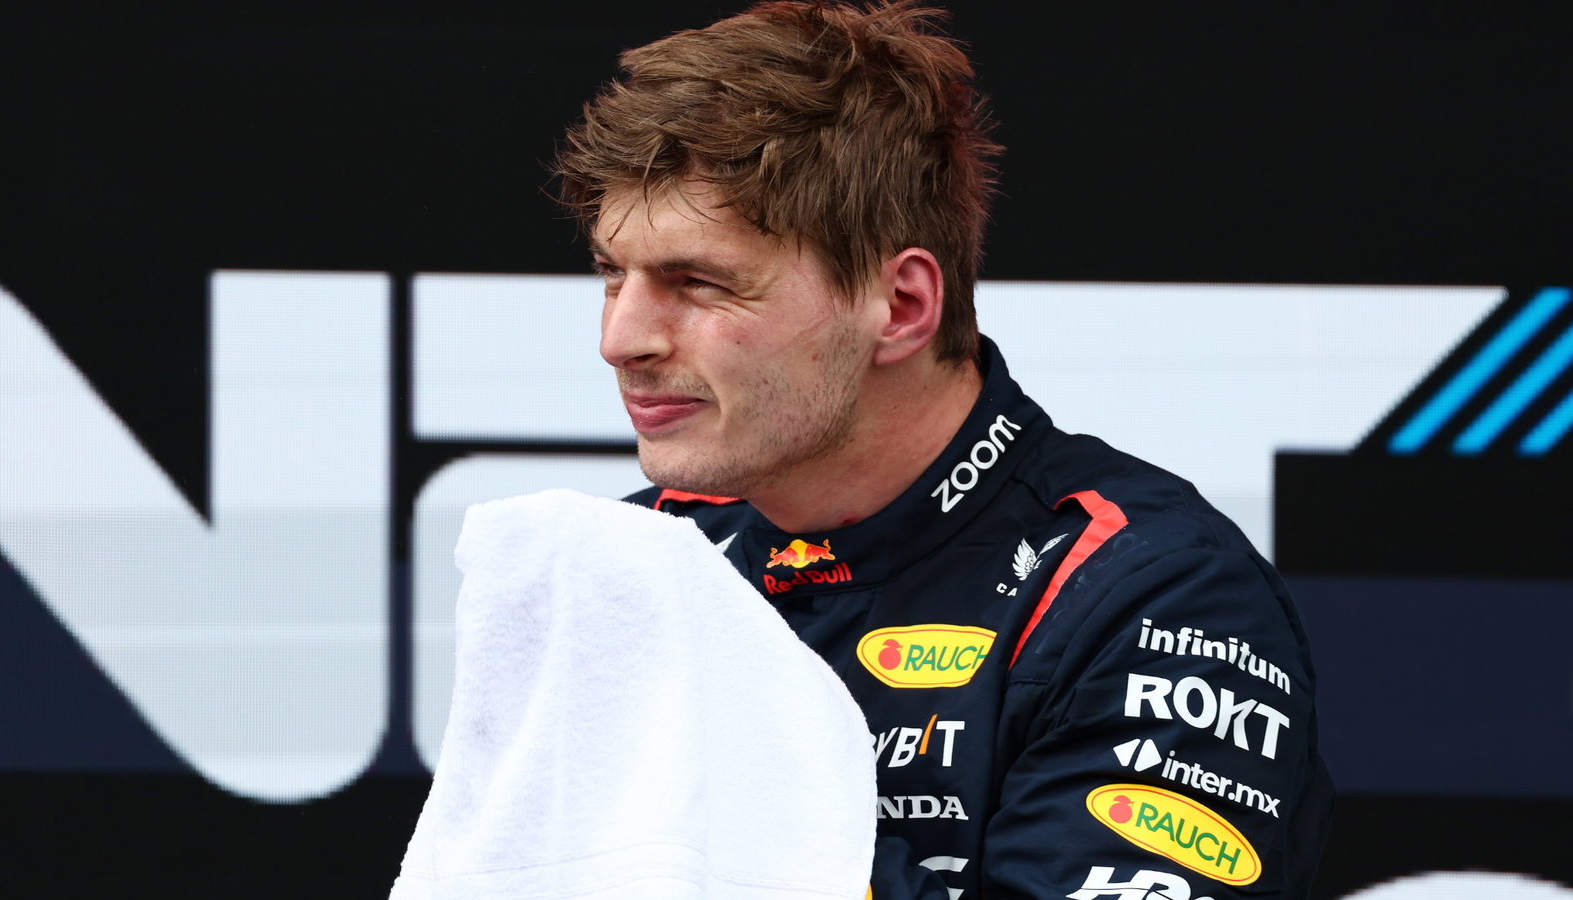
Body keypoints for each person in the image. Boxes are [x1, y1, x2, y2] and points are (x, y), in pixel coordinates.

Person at [553, 2, 1333, 897]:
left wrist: (733, 762)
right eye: (613, 275)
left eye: (699, 283)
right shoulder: (636, 560)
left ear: (902, 307)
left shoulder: (1150, 597)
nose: (623, 339)